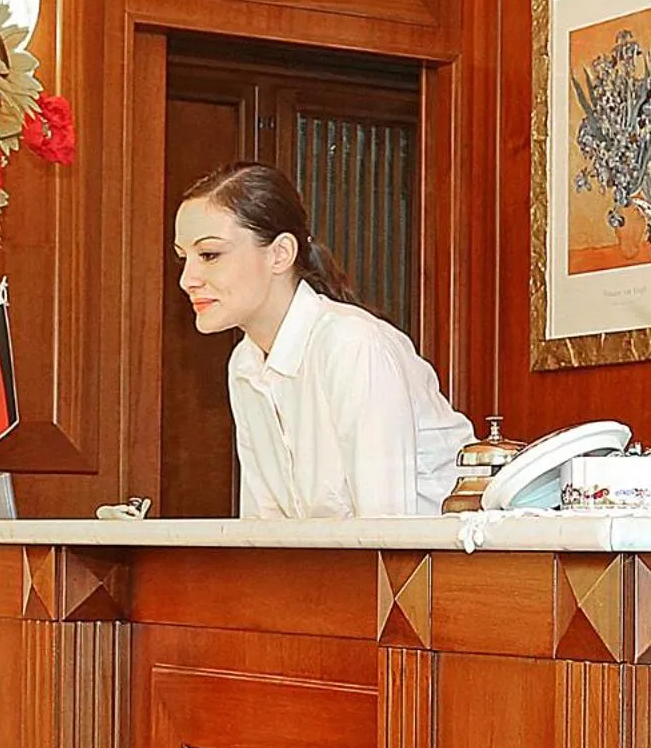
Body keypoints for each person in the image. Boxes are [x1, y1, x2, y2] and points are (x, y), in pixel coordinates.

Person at [174, 161, 471, 518]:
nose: (188, 280)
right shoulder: (244, 363)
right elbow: (262, 528)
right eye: (183, 258)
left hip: (446, 553)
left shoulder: (352, 345)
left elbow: (386, 531)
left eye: (209, 255)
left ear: (280, 254)